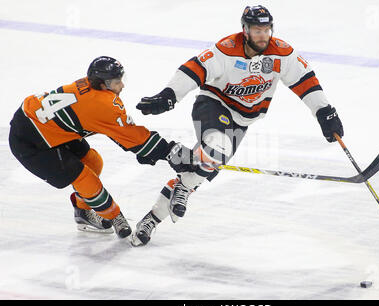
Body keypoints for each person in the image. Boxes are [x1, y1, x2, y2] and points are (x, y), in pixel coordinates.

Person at [132, 5, 344, 246]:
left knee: (197, 175)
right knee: (216, 149)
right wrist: (169, 94)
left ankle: (150, 219)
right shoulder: (227, 49)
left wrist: (325, 112)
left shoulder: (281, 54)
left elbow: (305, 81)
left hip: (242, 121)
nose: (262, 35)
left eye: (266, 29)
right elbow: (195, 68)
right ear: (245, 30)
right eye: (256, 30)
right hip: (213, 106)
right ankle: (179, 156)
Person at [9, 56, 191, 239]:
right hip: (30, 142)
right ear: (103, 84)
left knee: (93, 162)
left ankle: (83, 213)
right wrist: (169, 152)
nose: (122, 85)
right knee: (85, 178)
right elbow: (135, 139)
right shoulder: (102, 104)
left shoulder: (90, 87)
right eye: (117, 81)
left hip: (46, 127)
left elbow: (112, 129)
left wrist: (137, 145)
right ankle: (115, 216)